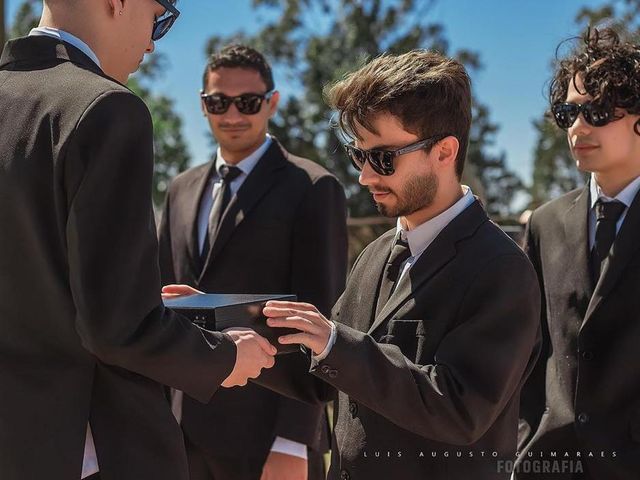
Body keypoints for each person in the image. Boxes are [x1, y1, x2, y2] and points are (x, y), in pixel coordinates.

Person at [0, 2, 276, 479]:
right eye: (159, 17)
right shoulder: (106, 108)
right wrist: (225, 356)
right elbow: (115, 326)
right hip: (87, 452)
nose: (151, 42)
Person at [259, 50, 541, 479]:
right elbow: (327, 377)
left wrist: (337, 344)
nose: (365, 176)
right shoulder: (374, 255)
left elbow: (459, 410)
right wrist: (219, 329)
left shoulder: (502, 268)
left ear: (445, 152)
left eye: (384, 158)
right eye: (359, 155)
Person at [158, 44, 348, 480]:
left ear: (272, 103)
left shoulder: (313, 188)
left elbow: (318, 318)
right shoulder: (179, 189)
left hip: (267, 440)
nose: (232, 114)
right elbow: (164, 300)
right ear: (203, 105)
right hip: (181, 432)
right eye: (218, 102)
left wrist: (294, 440)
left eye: (248, 102)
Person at [516, 28, 640, 480]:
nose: (578, 127)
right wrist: (523, 444)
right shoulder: (546, 223)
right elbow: (530, 355)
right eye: (570, 111)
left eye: (599, 111)